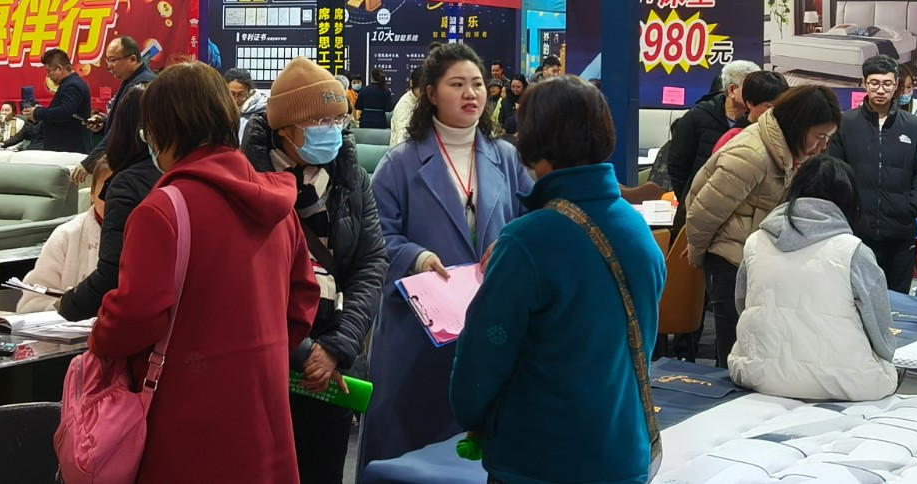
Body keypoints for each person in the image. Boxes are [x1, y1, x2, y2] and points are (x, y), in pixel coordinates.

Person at [88, 60, 319, 483]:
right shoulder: (277, 205)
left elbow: (134, 316)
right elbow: (303, 301)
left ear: (165, 129)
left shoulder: (163, 210)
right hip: (264, 407)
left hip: (185, 412)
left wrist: (99, 333)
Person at [451, 76, 665, 484]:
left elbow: (481, 361)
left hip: (540, 458)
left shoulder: (527, 241)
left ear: (533, 141)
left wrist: (473, 416)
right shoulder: (637, 229)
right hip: (624, 452)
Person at [360, 43, 531, 471]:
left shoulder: (506, 157)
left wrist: (511, 243)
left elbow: (534, 220)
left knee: (478, 453)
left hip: (490, 324)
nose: (471, 93)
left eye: (477, 84)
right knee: (409, 452)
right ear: (431, 94)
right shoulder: (400, 163)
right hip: (417, 332)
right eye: (457, 84)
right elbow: (375, 237)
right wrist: (416, 257)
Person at [242, 58, 388, 484]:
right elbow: (244, 280)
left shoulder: (351, 179)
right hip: (266, 364)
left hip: (333, 366)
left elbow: (370, 263)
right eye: (319, 120)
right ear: (285, 128)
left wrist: (338, 346)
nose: (332, 129)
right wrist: (302, 351)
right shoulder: (247, 182)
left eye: (338, 119)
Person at [685, 85, 842, 367]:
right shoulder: (752, 155)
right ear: (798, 124)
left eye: (828, 139)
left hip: (757, 261)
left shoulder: (786, 150)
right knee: (735, 355)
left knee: (759, 353)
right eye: (819, 136)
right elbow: (703, 212)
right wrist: (698, 256)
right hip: (730, 262)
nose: (822, 147)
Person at [728, 155, 897, 401]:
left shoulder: (755, 242)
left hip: (760, 375)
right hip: (848, 381)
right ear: (851, 201)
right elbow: (879, 328)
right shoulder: (853, 251)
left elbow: (743, 306)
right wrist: (886, 356)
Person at [828, 56, 917, 294]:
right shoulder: (845, 124)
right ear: (864, 83)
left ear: (895, 84)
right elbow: (833, 171)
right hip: (856, 232)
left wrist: (911, 207)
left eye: (887, 84)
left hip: (900, 233)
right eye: (874, 83)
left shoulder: (914, 127)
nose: (881, 90)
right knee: (858, 298)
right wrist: (848, 210)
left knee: (897, 299)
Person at [59, 85, 162, 321]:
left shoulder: (126, 184)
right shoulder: (178, 175)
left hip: (137, 318)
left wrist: (69, 305)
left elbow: (113, 272)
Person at [661, 60, 762, 205]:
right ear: (731, 90)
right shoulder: (697, 117)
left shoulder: (756, 121)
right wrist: (688, 200)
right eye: (750, 89)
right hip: (698, 203)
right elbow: (677, 165)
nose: (756, 95)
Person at [17, 159, 108, 314]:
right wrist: (70, 304)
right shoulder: (67, 235)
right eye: (107, 188)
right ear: (92, 193)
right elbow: (32, 303)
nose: (116, 197)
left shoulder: (147, 233)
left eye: (127, 188)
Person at [88, 35, 156, 143]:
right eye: (107, 60)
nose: (109, 66)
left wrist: (96, 154)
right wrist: (104, 124)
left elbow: (126, 130)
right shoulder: (131, 79)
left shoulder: (142, 84)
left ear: (132, 59)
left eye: (112, 60)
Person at [26, 49, 91, 154]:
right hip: (65, 149)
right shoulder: (68, 84)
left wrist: (38, 112)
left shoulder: (73, 85)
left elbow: (64, 112)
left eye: (48, 71)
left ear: (60, 68)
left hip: (69, 150)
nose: (48, 75)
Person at [713, 70, 791, 153]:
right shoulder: (732, 138)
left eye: (781, 106)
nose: (776, 111)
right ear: (749, 103)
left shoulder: (786, 134)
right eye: (770, 106)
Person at [388, 66, 421, 147]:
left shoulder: (423, 101)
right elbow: (402, 140)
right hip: (403, 151)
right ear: (411, 83)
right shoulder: (404, 106)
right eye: (421, 90)